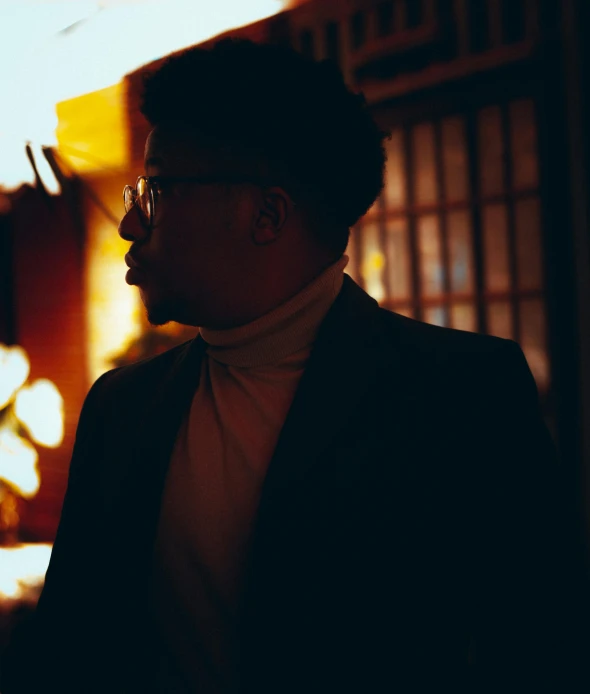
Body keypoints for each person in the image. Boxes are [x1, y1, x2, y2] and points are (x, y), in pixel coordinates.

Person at [1, 37, 589, 694]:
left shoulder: (460, 395)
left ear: (267, 214)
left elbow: (541, 652)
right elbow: (68, 649)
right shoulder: (122, 405)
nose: (129, 224)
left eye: (156, 189)